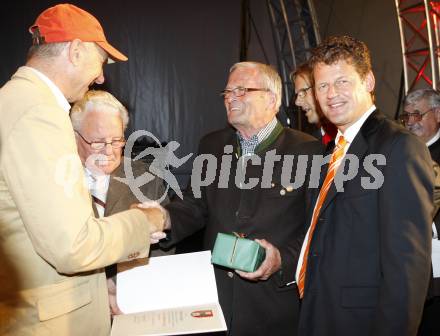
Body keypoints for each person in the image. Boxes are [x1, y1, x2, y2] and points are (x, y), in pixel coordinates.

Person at [0, 4, 164, 335]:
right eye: (101, 62)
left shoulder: (12, 101)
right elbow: (72, 246)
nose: (102, 77)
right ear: (75, 50)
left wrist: (92, 290)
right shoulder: (39, 113)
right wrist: (144, 221)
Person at [151, 61, 323, 336]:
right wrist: (164, 218)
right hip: (214, 303)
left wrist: (281, 261)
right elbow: (196, 204)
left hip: (271, 308)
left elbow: (317, 232)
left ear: (272, 99)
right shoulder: (212, 145)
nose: (230, 98)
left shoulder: (308, 152)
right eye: (227, 92)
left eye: (242, 90)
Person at [296, 35, 434, 336]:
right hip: (318, 313)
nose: (331, 94)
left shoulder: (399, 148)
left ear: (368, 81)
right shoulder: (331, 152)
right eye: (322, 86)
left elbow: (408, 267)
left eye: (342, 81)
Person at [70, 89, 172, 315]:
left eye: (117, 140)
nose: (108, 151)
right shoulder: (54, 180)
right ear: (75, 136)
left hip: (131, 305)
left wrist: (125, 287)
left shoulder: (144, 177)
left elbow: (164, 247)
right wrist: (98, 289)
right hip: (73, 308)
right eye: (97, 141)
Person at [402, 88, 440, 336]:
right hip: (412, 263)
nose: (411, 122)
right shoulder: (400, 152)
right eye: (407, 116)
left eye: (418, 114)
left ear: (437, 113)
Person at [291, 62, 337, 145]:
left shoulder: (350, 135)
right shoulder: (311, 143)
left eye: (303, 92)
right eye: (297, 95)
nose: (297, 102)